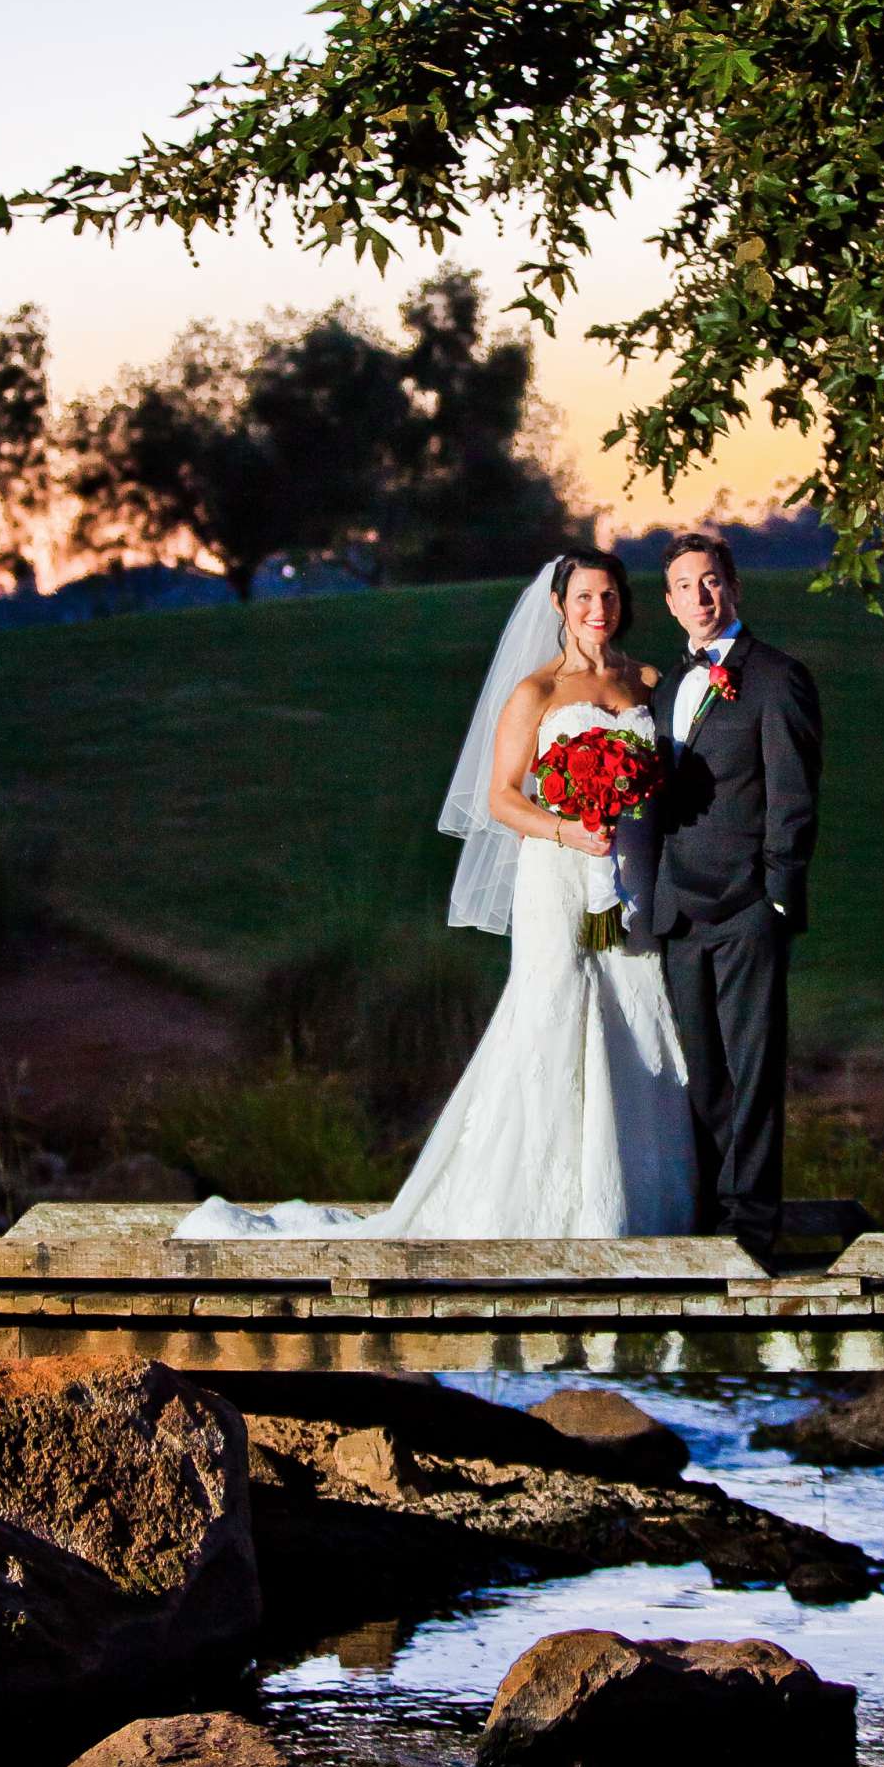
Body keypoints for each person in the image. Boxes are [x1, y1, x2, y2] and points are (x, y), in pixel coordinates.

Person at [174, 550, 697, 1241]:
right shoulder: (535, 693)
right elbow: (502, 798)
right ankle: (540, 1202)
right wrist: (567, 831)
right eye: (583, 599)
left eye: (608, 597)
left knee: (631, 1002)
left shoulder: (646, 680)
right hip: (558, 870)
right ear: (559, 606)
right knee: (555, 1007)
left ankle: (635, 1200)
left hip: (625, 871)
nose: (597, 611)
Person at [651, 533, 823, 1257]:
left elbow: (793, 794)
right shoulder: (664, 687)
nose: (700, 596)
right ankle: (708, 1213)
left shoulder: (777, 677)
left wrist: (776, 896)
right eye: (685, 585)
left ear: (735, 588)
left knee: (752, 1068)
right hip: (677, 906)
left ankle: (750, 1227)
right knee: (701, 1070)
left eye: (711, 581)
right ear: (668, 602)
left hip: (748, 905)